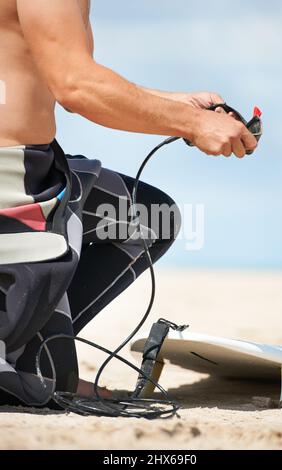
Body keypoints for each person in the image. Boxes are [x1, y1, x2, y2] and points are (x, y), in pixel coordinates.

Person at [0, 0, 257, 407]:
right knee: (50, 384)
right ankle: (21, 349)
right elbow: (75, 86)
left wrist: (181, 106)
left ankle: (28, 342)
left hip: (36, 165)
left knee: (148, 217)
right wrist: (192, 124)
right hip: (12, 182)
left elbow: (59, 71)